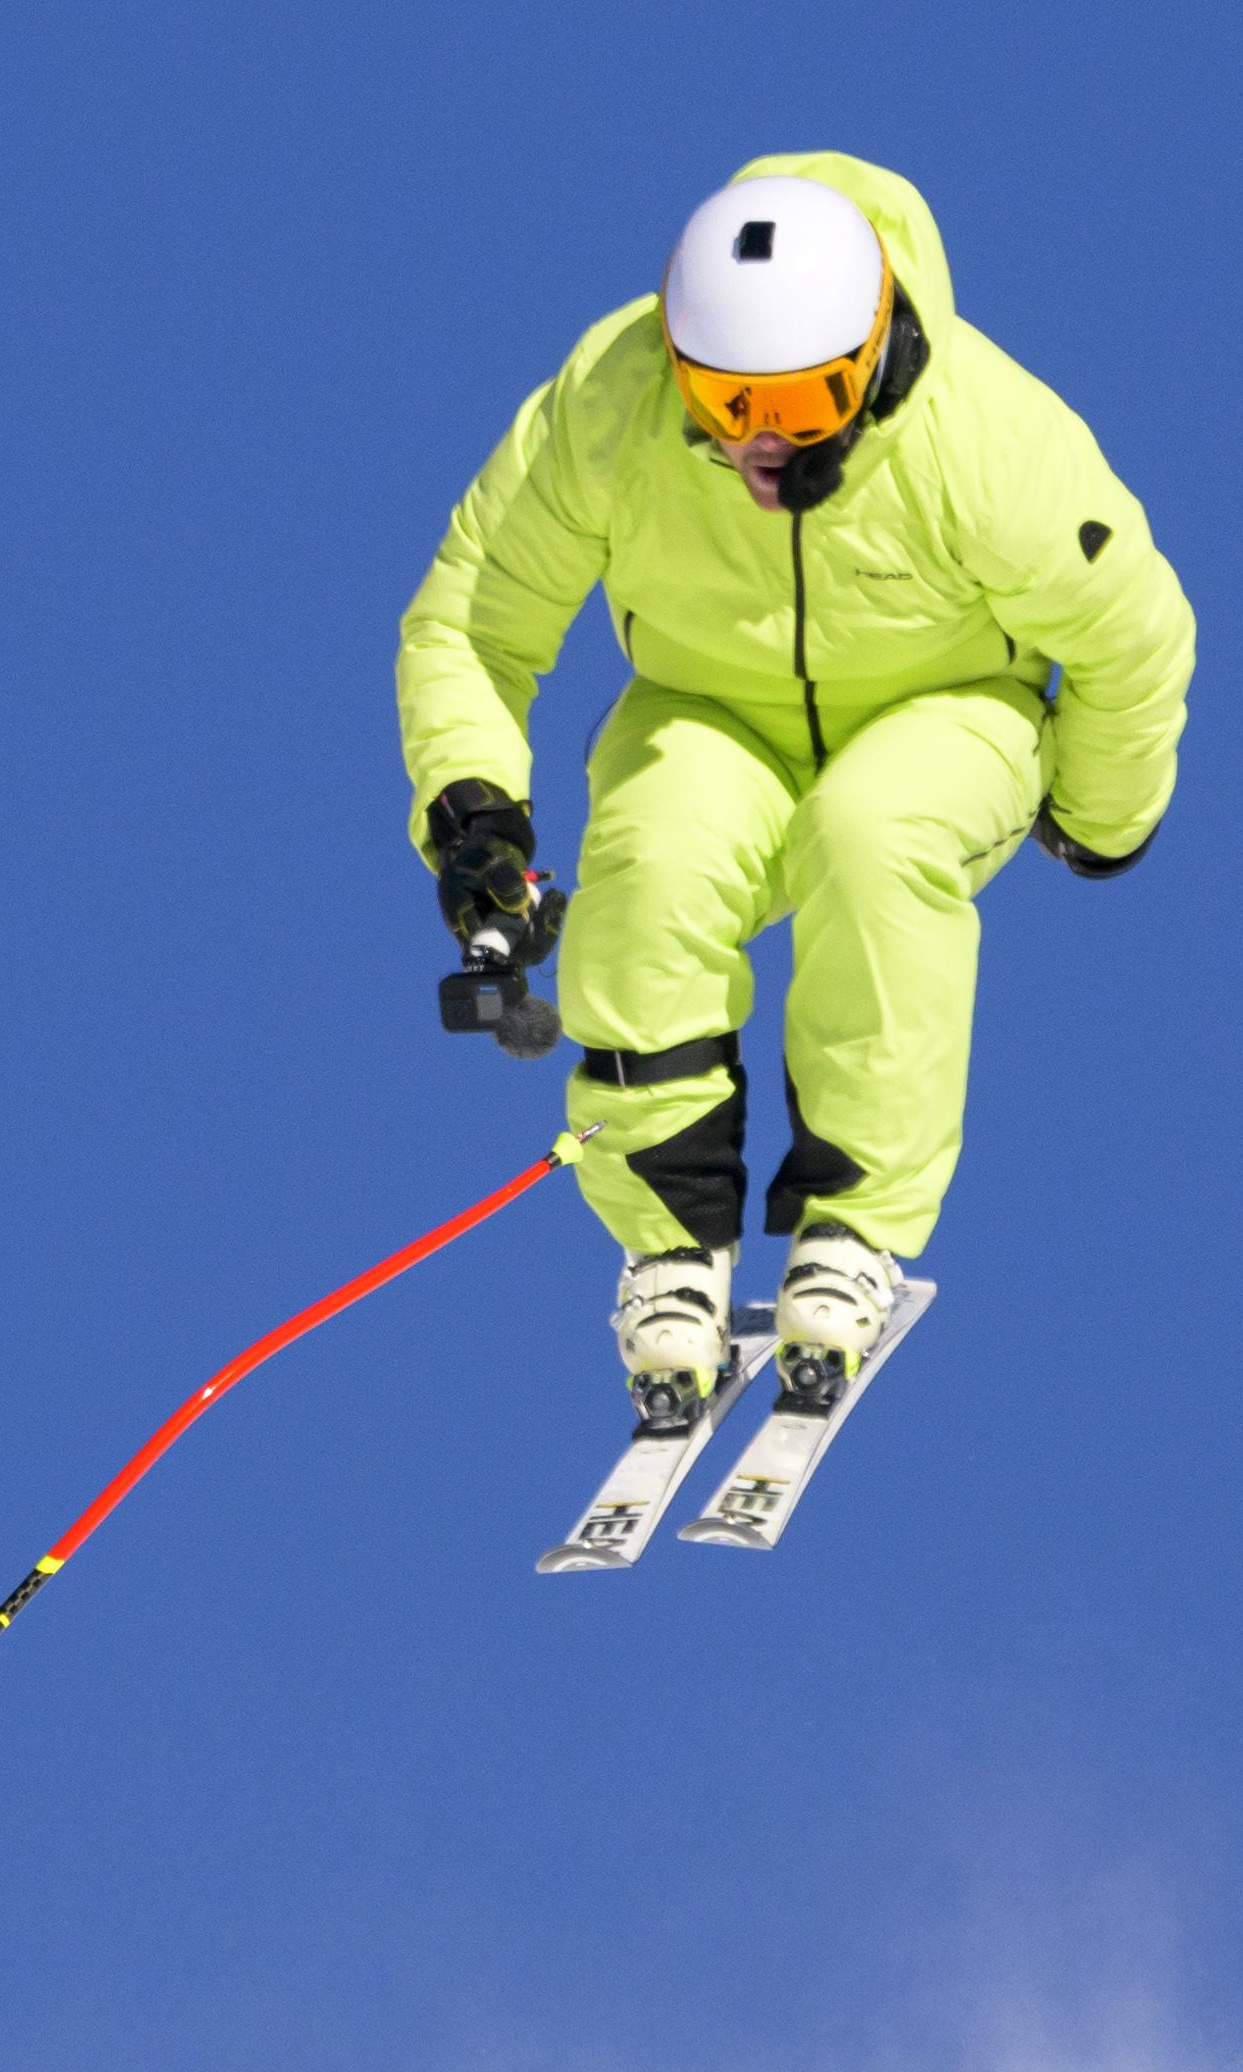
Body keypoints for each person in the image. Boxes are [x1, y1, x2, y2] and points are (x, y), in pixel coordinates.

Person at [398, 155, 1195, 1431]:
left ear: (870, 358)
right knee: (652, 861)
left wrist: (1103, 815)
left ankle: (853, 1229)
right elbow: (474, 618)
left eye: (805, 403)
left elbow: (1132, 631)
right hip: (713, 706)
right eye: (723, 406)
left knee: (872, 838)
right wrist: (476, 809)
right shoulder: (614, 403)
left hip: (945, 707)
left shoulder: (986, 443)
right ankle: (672, 1242)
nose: (761, 445)